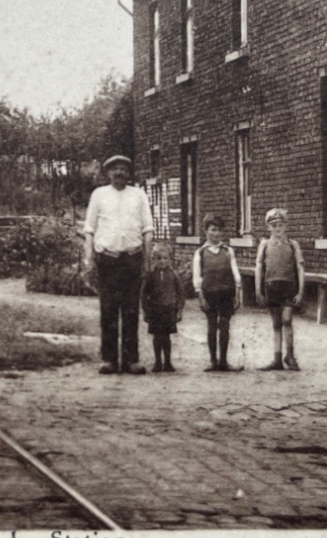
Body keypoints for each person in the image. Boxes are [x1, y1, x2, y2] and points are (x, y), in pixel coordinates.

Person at [84, 154, 153, 375]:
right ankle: (109, 359)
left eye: (123, 169)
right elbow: (89, 230)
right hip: (108, 261)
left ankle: (131, 360)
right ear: (108, 173)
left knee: (132, 311)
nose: (119, 173)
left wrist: (147, 260)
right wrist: (89, 259)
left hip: (132, 259)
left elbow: (147, 230)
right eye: (115, 169)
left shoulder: (138, 195)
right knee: (109, 310)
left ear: (129, 173)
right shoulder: (99, 195)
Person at [254, 206, 305, 371]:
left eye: (281, 225)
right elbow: (259, 267)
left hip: (289, 287)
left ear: (286, 226)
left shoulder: (293, 244)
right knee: (276, 323)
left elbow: (300, 268)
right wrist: (258, 290)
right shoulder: (265, 244)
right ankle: (277, 359)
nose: (277, 228)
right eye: (274, 225)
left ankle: (290, 356)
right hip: (271, 286)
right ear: (268, 227)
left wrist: (301, 291)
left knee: (287, 320)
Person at [192, 215, 242, 372]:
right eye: (213, 229)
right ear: (206, 230)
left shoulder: (228, 251)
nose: (216, 233)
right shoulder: (200, 253)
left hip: (227, 292)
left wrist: (238, 293)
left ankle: (223, 361)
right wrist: (200, 296)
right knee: (212, 326)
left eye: (219, 230)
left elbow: (236, 274)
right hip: (209, 294)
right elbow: (197, 276)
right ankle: (213, 361)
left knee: (225, 326)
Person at [141, 244, 187, 372]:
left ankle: (167, 363)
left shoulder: (173, 275)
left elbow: (181, 293)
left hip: (168, 309)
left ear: (170, 260)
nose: (162, 261)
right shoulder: (150, 275)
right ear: (154, 259)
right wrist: (145, 310)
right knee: (156, 337)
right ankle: (157, 362)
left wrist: (179, 310)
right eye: (159, 258)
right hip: (155, 310)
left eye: (165, 258)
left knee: (166, 337)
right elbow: (144, 293)